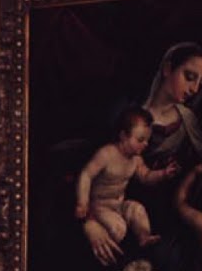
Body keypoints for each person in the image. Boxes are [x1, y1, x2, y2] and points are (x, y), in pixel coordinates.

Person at [74, 105, 175, 258]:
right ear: (123, 136)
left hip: (119, 204)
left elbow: (146, 176)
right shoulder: (107, 154)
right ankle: (104, 254)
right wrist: (82, 203)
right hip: (99, 207)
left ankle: (144, 238)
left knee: (137, 210)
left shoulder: (136, 159)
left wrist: (163, 174)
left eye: (147, 140)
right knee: (118, 228)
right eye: (140, 139)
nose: (146, 144)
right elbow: (86, 175)